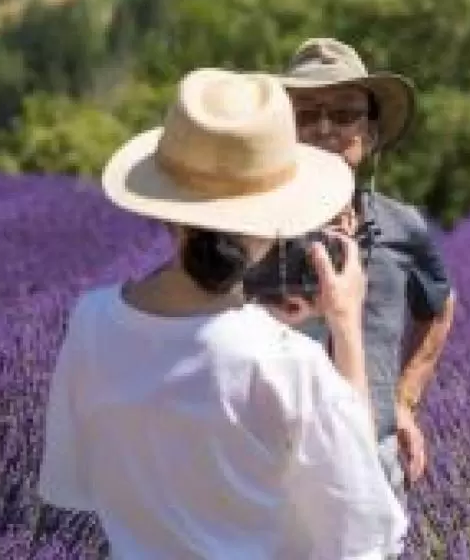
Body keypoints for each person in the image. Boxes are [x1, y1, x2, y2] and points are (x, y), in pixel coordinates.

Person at [36, 67, 407, 560]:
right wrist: (345, 322)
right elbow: (361, 517)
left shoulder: (90, 322)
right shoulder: (285, 362)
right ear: (276, 214)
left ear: (164, 205)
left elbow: (76, 482)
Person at [280, 38, 456, 511]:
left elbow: (440, 307)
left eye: (343, 113)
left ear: (371, 134)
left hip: (373, 459)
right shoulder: (254, 229)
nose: (323, 126)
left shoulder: (404, 227)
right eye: (306, 113)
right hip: (274, 463)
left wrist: (404, 401)